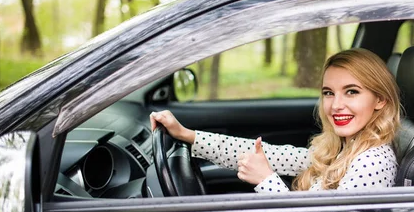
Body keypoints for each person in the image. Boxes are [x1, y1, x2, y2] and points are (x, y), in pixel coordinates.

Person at [150, 48, 401, 193]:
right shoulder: (342, 148)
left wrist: (266, 181)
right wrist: (188, 135)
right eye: (328, 92)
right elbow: (270, 154)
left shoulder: (373, 161)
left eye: (352, 92)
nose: (335, 105)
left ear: (380, 99)